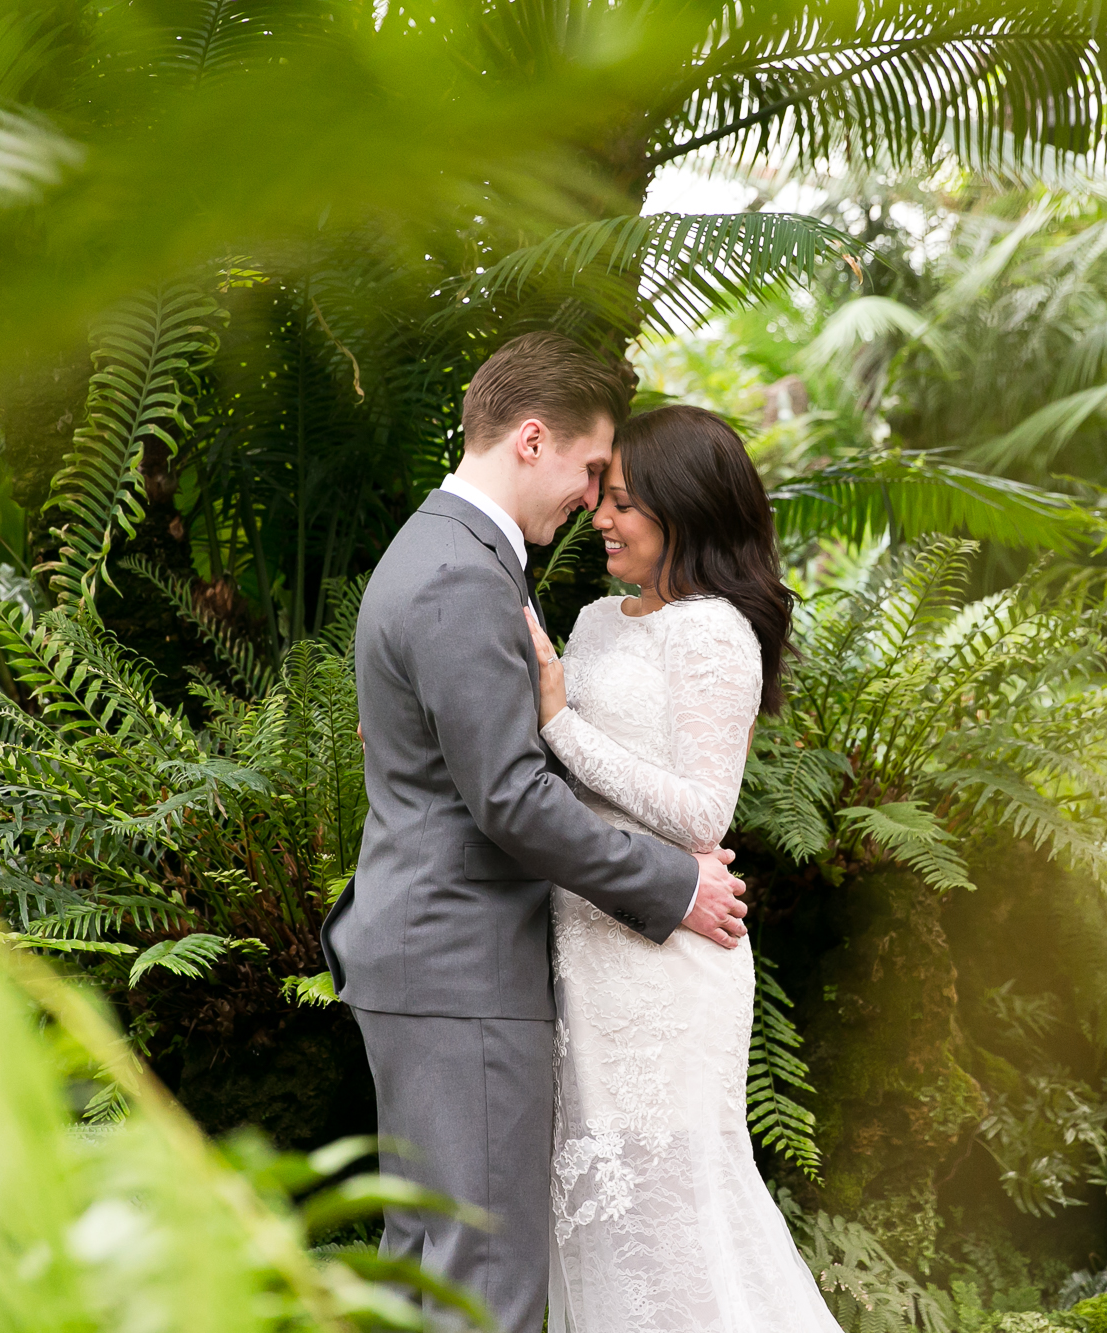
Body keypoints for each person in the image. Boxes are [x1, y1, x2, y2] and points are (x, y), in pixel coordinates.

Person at [318, 333, 750, 1333]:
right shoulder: (459, 576)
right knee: (487, 1289)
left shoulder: (437, 552)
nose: (594, 501)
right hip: (459, 963)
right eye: (591, 469)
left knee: (425, 1274)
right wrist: (670, 883)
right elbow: (507, 797)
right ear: (528, 440)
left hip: (428, 957)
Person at [525, 403, 843, 1333]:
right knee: (601, 1221)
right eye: (602, 497)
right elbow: (562, 782)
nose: (601, 518)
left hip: (670, 967)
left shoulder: (715, 633)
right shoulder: (589, 620)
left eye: (623, 501)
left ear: (685, 509)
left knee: (673, 1219)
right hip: (588, 951)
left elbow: (703, 810)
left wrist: (557, 723)